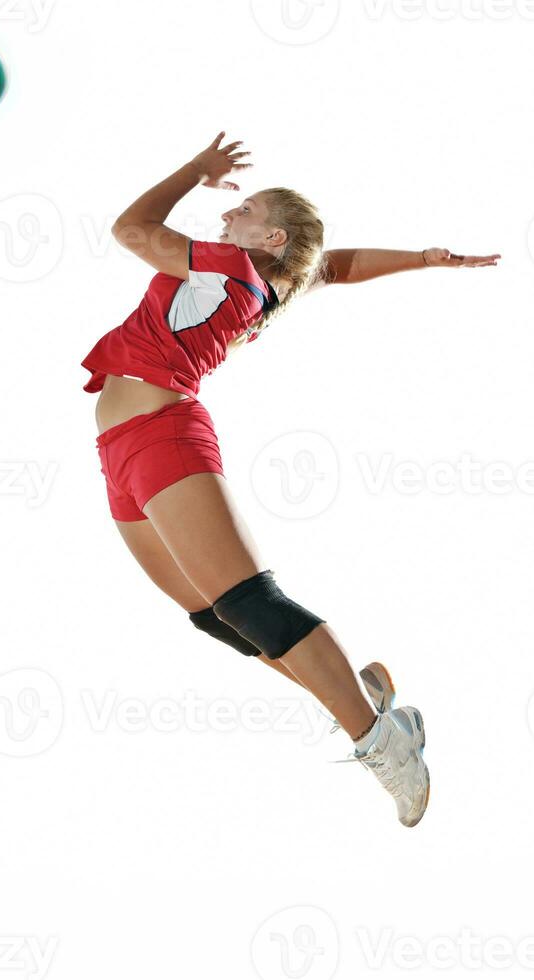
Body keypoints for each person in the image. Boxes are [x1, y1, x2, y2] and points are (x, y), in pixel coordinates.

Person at [81, 132, 501, 828]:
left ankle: (384, 747)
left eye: (240, 211)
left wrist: (196, 169)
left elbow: (130, 230)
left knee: (250, 603)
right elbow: (333, 267)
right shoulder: (262, 285)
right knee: (215, 617)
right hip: (120, 447)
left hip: (161, 432)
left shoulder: (227, 267)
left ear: (270, 235)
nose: (224, 218)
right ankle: (362, 701)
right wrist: (423, 259)